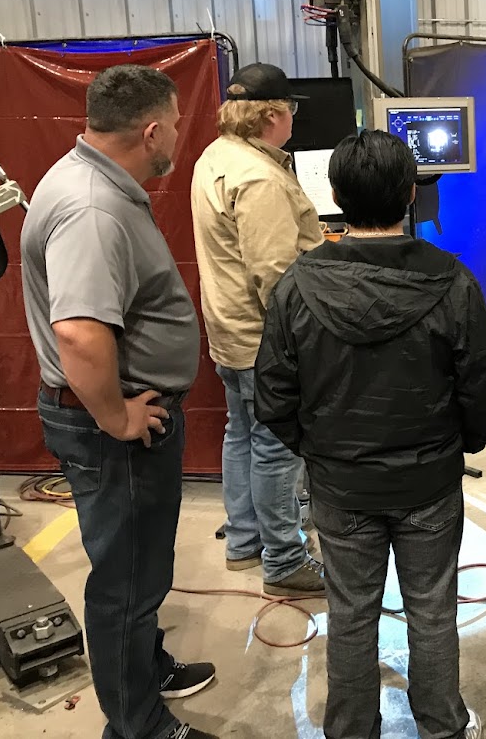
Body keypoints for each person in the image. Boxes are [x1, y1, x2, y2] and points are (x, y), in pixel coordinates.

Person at [254, 130, 486, 739]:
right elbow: (481, 387)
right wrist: (461, 445)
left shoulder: (296, 287)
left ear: (334, 195)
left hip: (341, 486)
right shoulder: (453, 282)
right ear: (409, 196)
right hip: (428, 484)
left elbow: (273, 397)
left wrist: (318, 451)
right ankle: (443, 725)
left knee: (351, 615)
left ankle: (350, 729)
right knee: (432, 612)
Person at [21, 65, 217, 739]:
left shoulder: (91, 180)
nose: (175, 142)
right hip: (113, 426)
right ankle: (138, 725)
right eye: (174, 130)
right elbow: (78, 331)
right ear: (152, 129)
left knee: (142, 564)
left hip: (121, 418)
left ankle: (147, 668)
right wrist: (118, 417)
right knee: (126, 580)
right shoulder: (94, 207)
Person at [190, 62, 325, 598]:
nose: (293, 119)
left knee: (241, 433)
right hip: (264, 338)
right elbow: (276, 276)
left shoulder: (216, 156)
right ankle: (284, 559)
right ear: (272, 114)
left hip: (229, 331)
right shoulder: (260, 178)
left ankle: (245, 540)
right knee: (274, 446)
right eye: (290, 110)